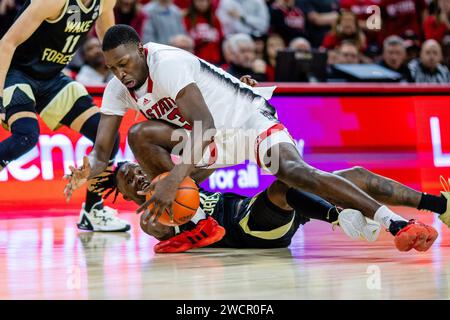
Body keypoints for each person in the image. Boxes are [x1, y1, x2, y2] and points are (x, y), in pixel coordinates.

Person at [64, 24, 439, 252]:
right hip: (205, 144)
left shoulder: (167, 63)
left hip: (245, 122)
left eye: (125, 64)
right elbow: (103, 148)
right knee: (140, 134)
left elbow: (205, 124)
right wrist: (88, 170)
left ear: (141, 52)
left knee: (297, 173)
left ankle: (396, 223)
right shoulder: (118, 88)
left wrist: (173, 180)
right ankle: (197, 223)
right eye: (112, 67)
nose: (120, 74)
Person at [0, 0, 130, 232]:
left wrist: (128, 81)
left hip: (51, 78)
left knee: (106, 136)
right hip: (17, 72)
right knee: (26, 136)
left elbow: (109, 40)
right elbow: (6, 43)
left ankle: (94, 210)